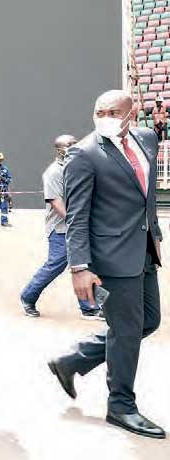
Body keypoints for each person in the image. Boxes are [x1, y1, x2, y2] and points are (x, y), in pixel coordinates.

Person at [47, 90, 164, 439]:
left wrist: (153, 234)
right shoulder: (83, 154)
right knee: (127, 330)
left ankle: (72, 360)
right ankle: (121, 406)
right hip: (110, 258)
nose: (106, 116)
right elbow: (78, 216)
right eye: (100, 111)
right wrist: (79, 267)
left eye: (114, 111)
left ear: (132, 114)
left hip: (143, 249)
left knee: (149, 321)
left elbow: (145, 195)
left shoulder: (147, 139)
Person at [18, 135, 103, 320]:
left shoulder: (78, 168)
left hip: (79, 226)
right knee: (56, 264)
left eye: (76, 143)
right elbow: (56, 202)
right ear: (59, 150)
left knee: (86, 264)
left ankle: (90, 307)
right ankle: (27, 297)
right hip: (61, 229)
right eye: (70, 145)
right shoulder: (54, 172)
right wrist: (76, 221)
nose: (75, 147)